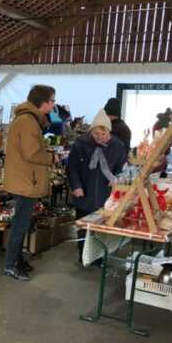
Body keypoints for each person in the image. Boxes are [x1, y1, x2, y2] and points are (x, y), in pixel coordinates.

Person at [4, 85, 57, 281]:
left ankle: (17, 260)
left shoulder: (29, 119)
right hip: (25, 181)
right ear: (42, 102)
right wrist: (51, 158)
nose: (53, 105)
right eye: (52, 101)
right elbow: (32, 153)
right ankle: (11, 265)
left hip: (26, 179)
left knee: (23, 223)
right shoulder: (27, 121)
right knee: (20, 225)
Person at [68, 109, 127, 260]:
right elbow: (71, 166)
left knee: (102, 226)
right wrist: (76, 186)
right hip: (84, 191)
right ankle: (84, 255)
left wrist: (116, 178)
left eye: (104, 135)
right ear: (91, 132)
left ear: (109, 132)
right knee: (84, 226)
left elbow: (121, 169)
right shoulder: (80, 144)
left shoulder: (118, 146)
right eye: (96, 134)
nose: (100, 138)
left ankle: (99, 256)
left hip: (105, 194)